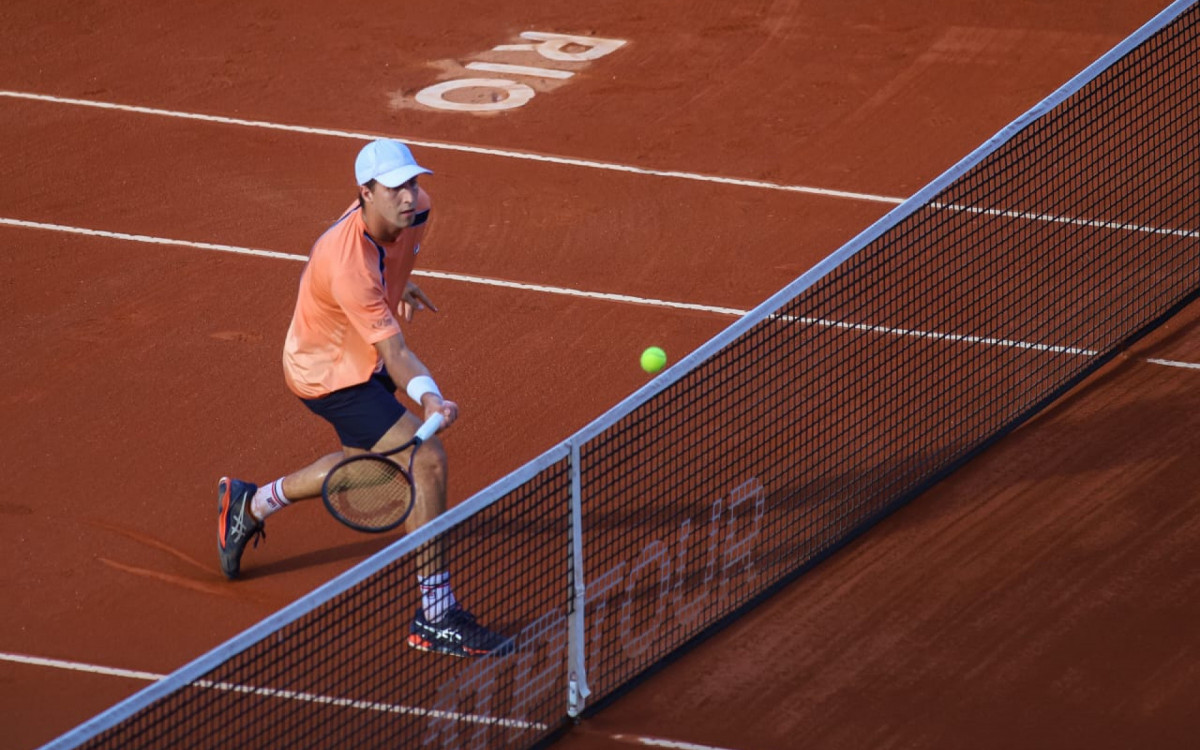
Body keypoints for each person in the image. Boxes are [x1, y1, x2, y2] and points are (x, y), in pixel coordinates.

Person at [216, 139, 509, 657]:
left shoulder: (418, 212)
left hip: (363, 351)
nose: (408, 196)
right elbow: (397, 355)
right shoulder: (344, 261)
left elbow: (392, 264)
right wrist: (431, 400)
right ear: (365, 193)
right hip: (328, 372)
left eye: (412, 183)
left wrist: (398, 286)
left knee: (369, 471)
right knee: (426, 460)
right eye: (394, 187)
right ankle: (435, 616)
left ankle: (252, 503)